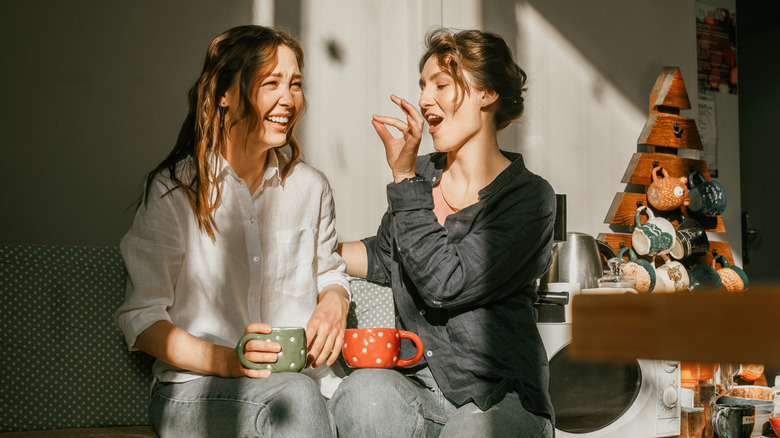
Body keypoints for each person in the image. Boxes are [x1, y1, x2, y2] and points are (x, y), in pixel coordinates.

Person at [114, 25, 350, 438]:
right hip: (196, 389)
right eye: (270, 82)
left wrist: (335, 301)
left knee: (367, 399)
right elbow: (142, 317)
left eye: (295, 84)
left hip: (306, 386)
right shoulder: (174, 190)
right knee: (295, 403)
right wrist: (228, 360)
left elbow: (329, 272)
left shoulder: (312, 187)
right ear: (223, 93)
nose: (288, 98)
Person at [331, 28, 556, 437]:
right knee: (363, 393)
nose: (423, 99)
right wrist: (308, 246)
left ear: (487, 93)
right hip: (418, 386)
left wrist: (402, 178)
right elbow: (386, 256)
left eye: (440, 84)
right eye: (422, 86)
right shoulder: (422, 177)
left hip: (497, 397)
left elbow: (445, 283)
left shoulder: (530, 199)